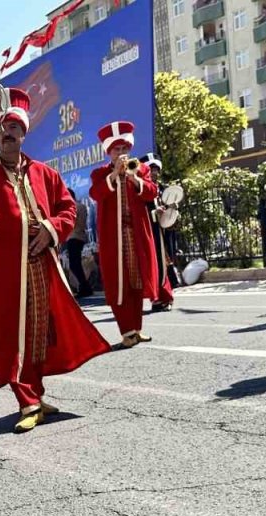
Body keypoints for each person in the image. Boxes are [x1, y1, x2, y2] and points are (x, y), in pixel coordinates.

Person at [0, 88, 111, 433]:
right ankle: (26, 399)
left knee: (39, 333)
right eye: (1, 128)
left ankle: (36, 393)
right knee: (13, 333)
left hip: (42, 267)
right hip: (4, 274)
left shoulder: (45, 173)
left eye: (13, 127)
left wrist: (50, 228)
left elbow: (68, 207)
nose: (7, 133)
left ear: (23, 132)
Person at [90, 121, 160, 348]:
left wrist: (134, 178)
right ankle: (126, 331)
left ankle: (137, 329)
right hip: (114, 237)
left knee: (137, 280)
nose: (121, 154)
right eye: (116, 150)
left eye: (124, 149)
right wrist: (114, 176)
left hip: (137, 233)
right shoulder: (100, 173)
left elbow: (151, 193)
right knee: (118, 283)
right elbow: (96, 193)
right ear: (109, 153)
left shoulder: (141, 168)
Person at [139, 153, 175, 312]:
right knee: (154, 264)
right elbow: (139, 212)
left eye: (156, 169)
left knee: (162, 264)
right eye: (151, 169)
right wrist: (155, 212)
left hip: (160, 231)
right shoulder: (139, 187)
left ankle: (163, 296)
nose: (154, 172)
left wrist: (169, 210)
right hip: (147, 231)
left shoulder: (160, 188)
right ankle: (158, 298)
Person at [65, 189, 94, 298]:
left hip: (74, 236)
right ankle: (84, 286)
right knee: (75, 264)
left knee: (74, 264)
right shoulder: (81, 206)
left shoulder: (74, 206)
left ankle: (85, 287)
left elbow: (71, 222)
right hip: (78, 236)